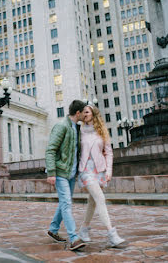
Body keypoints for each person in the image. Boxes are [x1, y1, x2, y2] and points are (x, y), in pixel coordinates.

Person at [77, 104, 125, 247]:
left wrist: (109, 171)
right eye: (83, 112)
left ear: (93, 114)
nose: (84, 114)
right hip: (85, 170)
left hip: (99, 170)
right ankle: (112, 234)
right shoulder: (79, 131)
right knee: (100, 198)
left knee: (92, 201)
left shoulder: (102, 131)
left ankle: (83, 230)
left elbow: (108, 152)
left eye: (87, 112)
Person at [46, 100, 86, 251]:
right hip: (61, 172)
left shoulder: (77, 128)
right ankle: (74, 238)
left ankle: (53, 229)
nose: (84, 114)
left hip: (71, 173)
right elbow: (50, 150)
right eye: (83, 112)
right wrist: (51, 173)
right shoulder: (61, 126)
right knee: (67, 203)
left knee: (64, 202)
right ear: (78, 113)